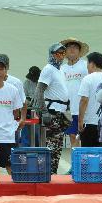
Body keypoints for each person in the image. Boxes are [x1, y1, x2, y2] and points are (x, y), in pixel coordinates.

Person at [34, 43, 71, 174]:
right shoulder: (48, 69)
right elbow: (39, 91)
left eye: (62, 53)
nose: (61, 56)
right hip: (52, 112)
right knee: (51, 146)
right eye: (57, 53)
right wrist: (44, 111)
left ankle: (52, 173)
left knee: (57, 146)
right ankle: (46, 173)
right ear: (51, 55)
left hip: (60, 112)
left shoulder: (60, 70)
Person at [60, 38, 89, 149]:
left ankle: (84, 163)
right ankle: (75, 163)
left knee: (84, 136)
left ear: (79, 51)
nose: (72, 49)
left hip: (83, 108)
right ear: (65, 51)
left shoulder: (85, 65)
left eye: (75, 47)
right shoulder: (61, 68)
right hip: (69, 110)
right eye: (69, 47)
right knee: (72, 136)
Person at [77, 52, 102, 148]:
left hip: (90, 123)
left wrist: (80, 120)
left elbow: (84, 100)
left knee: (87, 154)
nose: (87, 67)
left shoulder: (88, 79)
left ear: (92, 64)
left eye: (88, 64)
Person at [20, 66, 41, 147]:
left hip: (40, 110)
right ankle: (25, 147)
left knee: (38, 132)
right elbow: (23, 97)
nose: (32, 79)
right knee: (26, 131)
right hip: (29, 109)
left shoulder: (43, 83)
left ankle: (39, 147)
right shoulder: (26, 82)